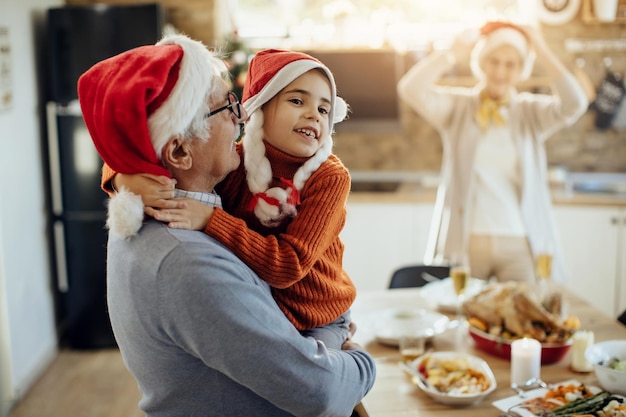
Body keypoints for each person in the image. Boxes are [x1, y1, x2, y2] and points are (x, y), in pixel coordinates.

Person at [78, 33, 376, 417]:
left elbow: (129, 144)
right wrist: (364, 361)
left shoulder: (180, 198)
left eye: (323, 108)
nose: (241, 115)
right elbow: (319, 390)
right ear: (181, 151)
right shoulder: (190, 264)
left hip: (317, 310)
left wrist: (125, 178)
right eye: (226, 107)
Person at [102, 49, 356, 348]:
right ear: (259, 110)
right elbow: (137, 148)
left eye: (325, 110)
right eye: (297, 101)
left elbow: (290, 265)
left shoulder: (328, 178)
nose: (314, 114)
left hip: (319, 316)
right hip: (269, 311)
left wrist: (211, 219)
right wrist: (122, 177)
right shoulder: (232, 161)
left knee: (324, 386)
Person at [397, 22, 588, 283]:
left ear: (521, 70)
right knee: (463, 318)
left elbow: (575, 103)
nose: (500, 71)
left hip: (519, 240)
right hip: (467, 242)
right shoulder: (459, 107)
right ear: (482, 63)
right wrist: (451, 52)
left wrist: (540, 48)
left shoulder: (530, 113)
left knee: (522, 319)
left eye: (510, 64)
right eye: (494, 61)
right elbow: (410, 89)